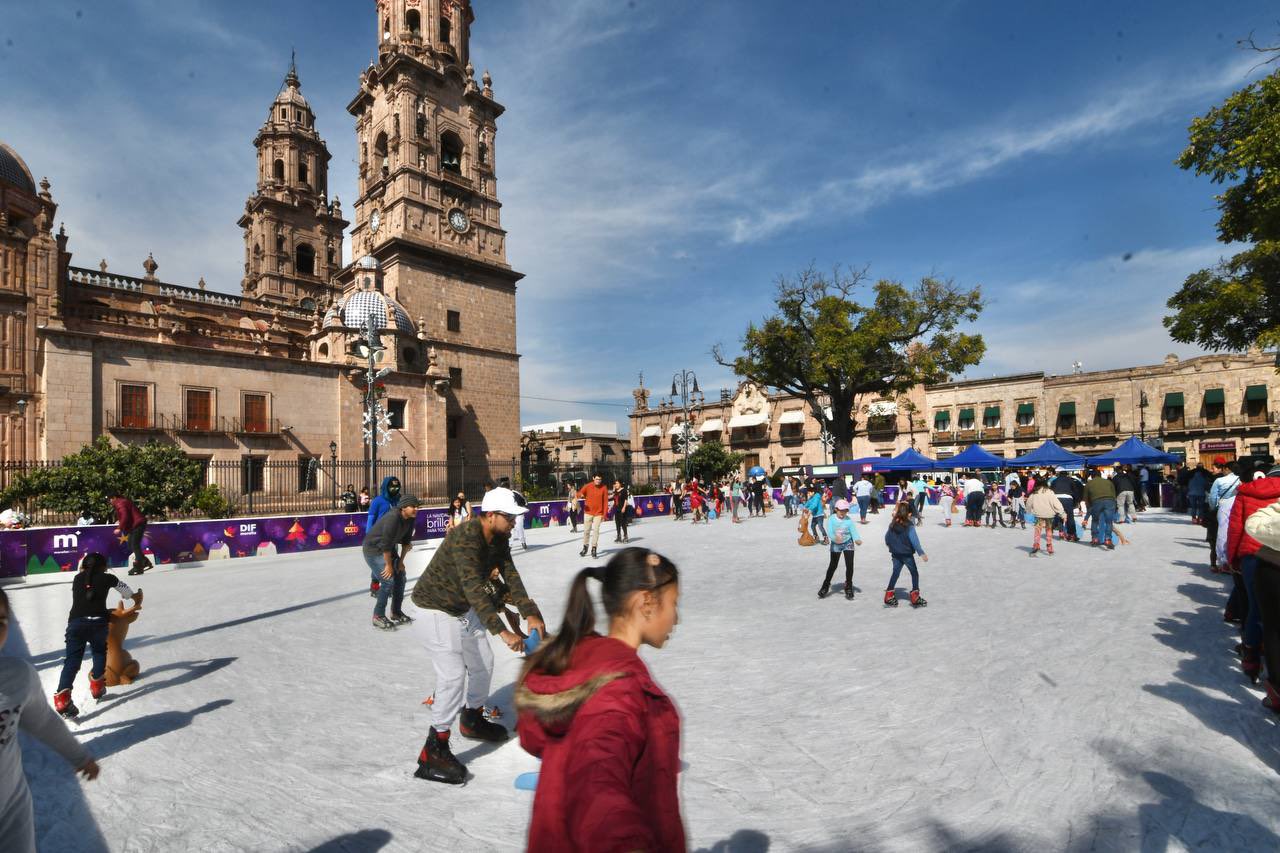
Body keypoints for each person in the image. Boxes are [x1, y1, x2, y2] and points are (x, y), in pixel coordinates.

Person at [515, 548, 684, 850]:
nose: (677, 617)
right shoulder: (619, 690)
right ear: (646, 602)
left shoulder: (587, 665)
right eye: (673, 604)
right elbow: (596, 784)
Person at [409, 487, 545, 784]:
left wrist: (529, 611)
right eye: (510, 517)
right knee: (453, 676)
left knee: (483, 662)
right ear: (491, 515)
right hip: (436, 610)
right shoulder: (465, 537)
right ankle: (433, 750)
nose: (514, 523)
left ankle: (471, 719)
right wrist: (502, 631)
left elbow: (511, 574)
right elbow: (473, 586)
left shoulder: (499, 537)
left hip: (464, 610)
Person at [0, 588, 101, 853]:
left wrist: (79, 756)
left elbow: (43, 721)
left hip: (11, 812)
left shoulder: (17, 678)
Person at [52, 552, 141, 718]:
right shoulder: (108, 578)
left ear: (84, 566)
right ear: (103, 567)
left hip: (76, 623)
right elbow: (126, 592)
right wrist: (134, 596)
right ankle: (97, 685)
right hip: (98, 623)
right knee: (99, 652)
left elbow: (87, 587)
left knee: (72, 661)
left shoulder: (78, 578)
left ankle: (62, 698)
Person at [1226, 468, 1280, 684]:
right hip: (1274, 552)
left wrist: (1232, 559)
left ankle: (1251, 657)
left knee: (1255, 608)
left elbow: (1236, 528)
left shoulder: (1245, 493)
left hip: (1251, 554)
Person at [364, 495, 420, 630]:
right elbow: (385, 545)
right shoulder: (393, 518)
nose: (416, 509)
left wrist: (400, 562)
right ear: (403, 507)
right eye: (413, 506)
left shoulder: (410, 519)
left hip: (387, 548)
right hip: (373, 550)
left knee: (400, 577)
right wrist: (389, 565)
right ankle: (378, 616)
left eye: (418, 506)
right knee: (388, 580)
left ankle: (396, 612)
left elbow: (406, 544)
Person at [883, 501, 929, 608]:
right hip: (907, 554)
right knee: (914, 573)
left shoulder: (893, 524)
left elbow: (887, 537)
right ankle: (915, 597)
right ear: (908, 514)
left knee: (895, 573)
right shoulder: (909, 526)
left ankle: (889, 595)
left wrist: (890, 546)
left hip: (895, 554)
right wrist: (921, 552)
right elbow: (914, 541)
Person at [819, 499, 863, 600]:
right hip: (836, 544)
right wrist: (835, 538)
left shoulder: (848, 520)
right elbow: (830, 532)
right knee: (833, 565)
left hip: (848, 543)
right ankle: (825, 586)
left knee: (850, 565)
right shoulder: (831, 519)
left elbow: (853, 531)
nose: (843, 513)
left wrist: (857, 539)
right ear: (836, 509)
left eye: (845, 511)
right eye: (840, 511)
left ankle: (848, 586)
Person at [1208, 459, 1242, 571]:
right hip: (1238, 505)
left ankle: (1224, 561)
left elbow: (1212, 498)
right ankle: (1236, 560)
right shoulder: (1240, 479)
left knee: (1222, 533)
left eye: (1224, 469)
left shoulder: (1219, 481)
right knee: (1236, 532)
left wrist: (1213, 508)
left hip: (1223, 507)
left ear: (1227, 469)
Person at [110, 493, 151, 576]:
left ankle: (139, 565)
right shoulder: (122, 502)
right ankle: (144, 561)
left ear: (114, 497)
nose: (110, 502)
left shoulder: (120, 503)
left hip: (138, 524)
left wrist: (119, 528)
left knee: (134, 545)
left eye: (110, 499)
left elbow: (125, 516)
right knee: (130, 545)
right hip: (134, 526)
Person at [1025, 481, 1066, 556]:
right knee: (1049, 530)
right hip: (1049, 515)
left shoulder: (1034, 493)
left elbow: (1028, 503)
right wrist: (1062, 513)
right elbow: (1056, 503)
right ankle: (1049, 546)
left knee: (1038, 531)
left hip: (1038, 515)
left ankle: (1036, 546)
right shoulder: (1050, 492)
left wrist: (1028, 511)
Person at [1083, 469, 1118, 550]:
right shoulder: (1108, 482)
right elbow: (1114, 494)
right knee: (1109, 522)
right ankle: (1108, 540)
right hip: (1110, 501)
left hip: (1096, 501)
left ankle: (1095, 539)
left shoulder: (1089, 484)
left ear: (1091, 476)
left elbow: (1086, 498)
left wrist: (1089, 508)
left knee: (1095, 520)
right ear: (1100, 475)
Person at [576, 473, 610, 558]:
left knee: (596, 531)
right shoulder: (588, 486)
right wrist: (580, 495)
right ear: (593, 478)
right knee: (586, 531)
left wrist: (604, 515)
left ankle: (594, 548)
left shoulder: (604, 488)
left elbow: (605, 502)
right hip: (588, 513)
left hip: (598, 513)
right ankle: (585, 547)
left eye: (600, 479)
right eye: (597, 479)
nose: (598, 481)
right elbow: (579, 494)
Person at [499, 477, 529, 551]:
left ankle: (523, 542)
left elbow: (525, 502)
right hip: (509, 515)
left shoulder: (515, 493)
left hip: (518, 515)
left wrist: (521, 508)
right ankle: (510, 545)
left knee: (519, 529)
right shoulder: (501, 496)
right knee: (510, 530)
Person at [1050, 469, 1078, 542]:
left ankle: (1061, 532)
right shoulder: (1070, 480)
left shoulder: (1054, 481)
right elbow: (1075, 491)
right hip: (1067, 499)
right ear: (1067, 474)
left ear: (1059, 474)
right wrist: (1075, 502)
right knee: (1070, 517)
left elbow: (1051, 491)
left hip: (1057, 499)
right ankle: (1071, 535)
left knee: (1059, 515)